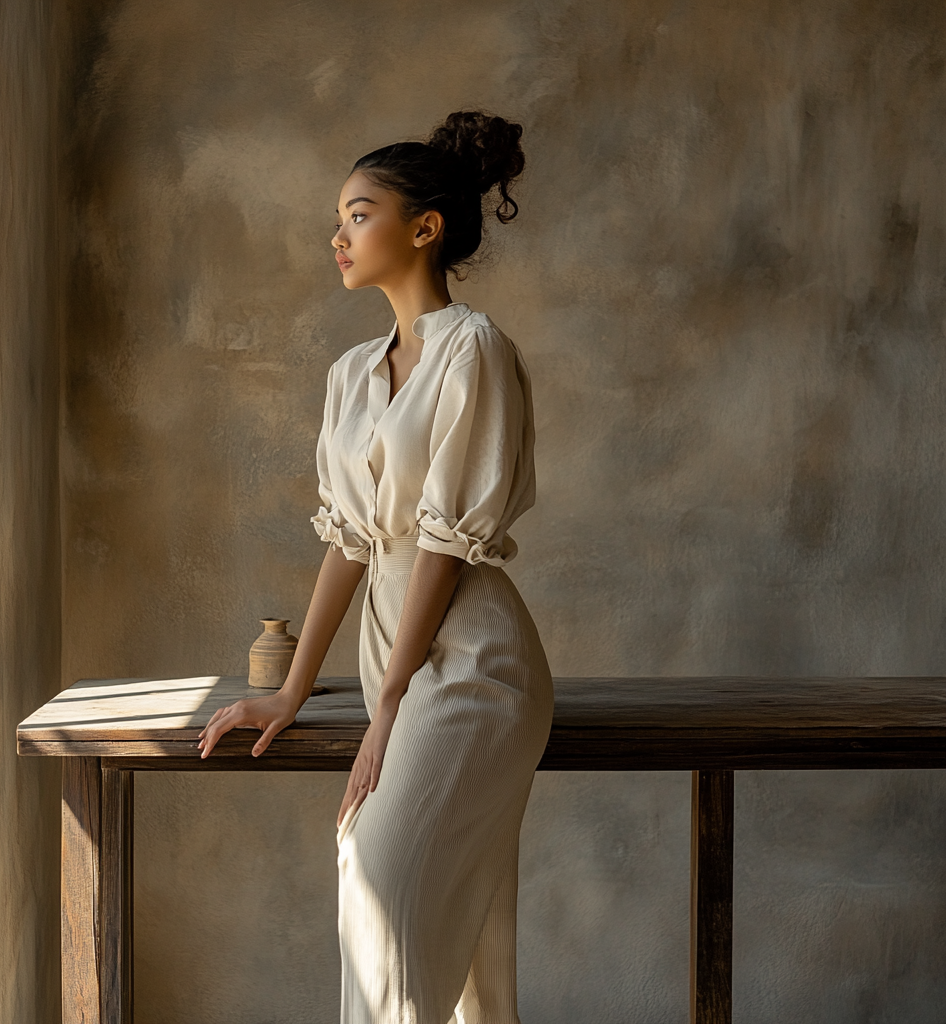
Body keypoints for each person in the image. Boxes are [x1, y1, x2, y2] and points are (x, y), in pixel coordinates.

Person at [198, 110, 554, 1024]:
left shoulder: (471, 349)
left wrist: (388, 704)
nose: (338, 235)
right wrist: (292, 691)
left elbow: (439, 542)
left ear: (424, 227)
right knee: (401, 903)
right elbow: (352, 543)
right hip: (392, 651)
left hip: (470, 659)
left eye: (359, 214)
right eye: (342, 219)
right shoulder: (354, 373)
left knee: (382, 890)